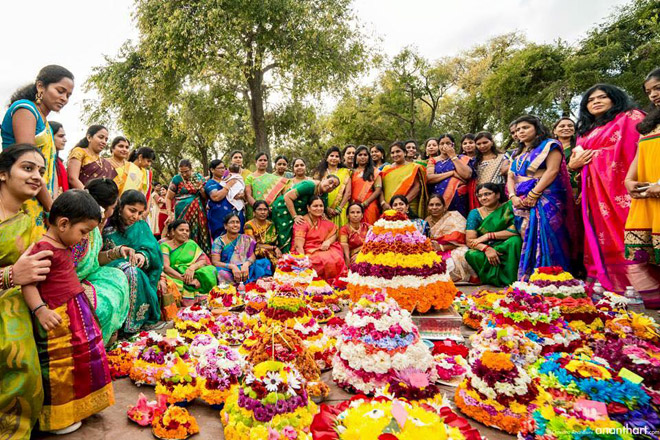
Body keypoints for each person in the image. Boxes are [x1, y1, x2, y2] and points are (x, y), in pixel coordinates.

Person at [23, 190, 114, 434]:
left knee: (85, 359)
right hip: (57, 321)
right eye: (83, 232)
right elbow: (28, 283)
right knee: (61, 367)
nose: (84, 238)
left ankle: (81, 406)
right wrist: (40, 310)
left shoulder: (61, 244)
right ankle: (59, 417)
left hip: (76, 314)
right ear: (63, 223)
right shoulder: (43, 248)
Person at [576, 83, 660, 296]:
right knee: (602, 236)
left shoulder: (630, 118)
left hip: (623, 189)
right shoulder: (588, 129)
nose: (596, 102)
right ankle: (613, 285)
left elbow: (641, 151)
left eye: (602, 97)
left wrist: (595, 156)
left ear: (615, 98)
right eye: (590, 100)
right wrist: (574, 165)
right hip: (595, 192)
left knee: (629, 233)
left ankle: (644, 288)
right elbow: (577, 160)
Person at [0, 145, 56, 439]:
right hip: (8, 301)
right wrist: (10, 276)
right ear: (2, 173)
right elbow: (17, 273)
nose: (37, 177)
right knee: (15, 346)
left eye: (41, 171)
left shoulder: (28, 220)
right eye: (27, 168)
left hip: (20, 297)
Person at [1, 65, 74, 237]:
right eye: (60, 91)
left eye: (68, 95)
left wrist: (52, 202)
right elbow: (29, 163)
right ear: (41, 86)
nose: (64, 98)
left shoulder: (46, 124)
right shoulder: (25, 110)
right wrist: (52, 208)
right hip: (21, 197)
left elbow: (49, 170)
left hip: (40, 198)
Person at [508, 115, 575, 278]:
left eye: (525, 128)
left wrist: (534, 193)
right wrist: (512, 196)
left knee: (548, 236)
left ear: (537, 128)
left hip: (545, 198)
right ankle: (530, 277)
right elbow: (511, 176)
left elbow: (552, 171)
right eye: (517, 130)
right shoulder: (516, 152)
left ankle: (553, 278)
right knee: (527, 236)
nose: (520, 132)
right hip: (521, 200)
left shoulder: (550, 145)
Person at [72, 178, 130, 345]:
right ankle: (96, 347)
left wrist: (116, 252)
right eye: (113, 207)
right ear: (104, 209)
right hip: (72, 282)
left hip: (90, 275)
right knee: (104, 304)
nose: (113, 211)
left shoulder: (96, 225)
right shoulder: (80, 230)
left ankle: (110, 337)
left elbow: (94, 258)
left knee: (118, 275)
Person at [103, 190, 164, 334]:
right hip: (109, 267)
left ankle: (134, 324)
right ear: (120, 206)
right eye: (132, 210)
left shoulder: (141, 226)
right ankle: (123, 326)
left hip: (136, 268)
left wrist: (142, 255)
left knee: (133, 271)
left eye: (139, 213)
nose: (135, 217)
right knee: (130, 270)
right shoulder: (105, 224)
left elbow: (153, 250)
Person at [624, 69, 660, 307]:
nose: (654, 95)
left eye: (658, 88)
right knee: (643, 256)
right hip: (647, 194)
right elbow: (640, 153)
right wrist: (629, 180)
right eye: (649, 91)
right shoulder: (649, 123)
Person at [465, 183, 522, 286]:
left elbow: (514, 231)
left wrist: (488, 235)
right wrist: (486, 249)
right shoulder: (475, 213)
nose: (483, 198)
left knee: (516, 241)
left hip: (505, 245)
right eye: (480, 196)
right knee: (470, 254)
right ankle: (493, 280)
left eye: (487, 194)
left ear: (498, 195)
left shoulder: (508, 208)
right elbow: (470, 241)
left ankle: (513, 279)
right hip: (486, 247)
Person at [271, 176, 340, 252]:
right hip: (283, 209)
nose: (330, 186)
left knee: (294, 233)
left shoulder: (324, 194)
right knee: (284, 235)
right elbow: (287, 197)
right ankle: (283, 259)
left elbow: (322, 207)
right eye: (330, 182)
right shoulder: (309, 185)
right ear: (323, 178)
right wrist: (294, 216)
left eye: (334, 186)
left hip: (298, 211)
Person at [161, 219, 217, 305]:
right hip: (174, 274)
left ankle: (204, 300)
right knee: (173, 284)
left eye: (187, 231)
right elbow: (166, 267)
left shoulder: (191, 244)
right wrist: (185, 280)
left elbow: (203, 260)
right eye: (181, 230)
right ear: (173, 231)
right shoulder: (165, 245)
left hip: (191, 273)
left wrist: (192, 268)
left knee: (211, 269)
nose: (185, 233)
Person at [293, 196, 346, 282]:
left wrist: (328, 241)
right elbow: (299, 247)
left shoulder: (322, 220)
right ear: (308, 208)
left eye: (321, 206)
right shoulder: (302, 222)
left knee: (337, 257)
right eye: (315, 206)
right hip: (307, 251)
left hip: (322, 248)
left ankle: (337, 284)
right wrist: (303, 263)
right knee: (321, 260)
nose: (319, 208)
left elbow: (334, 232)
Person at [426, 194, 476, 283]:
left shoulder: (454, 217)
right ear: (427, 207)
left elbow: (461, 241)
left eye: (438, 204)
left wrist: (441, 247)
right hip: (434, 250)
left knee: (461, 256)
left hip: (454, 247)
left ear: (444, 207)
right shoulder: (426, 221)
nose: (434, 207)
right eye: (431, 205)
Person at [166, 159, 211, 253]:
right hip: (182, 212)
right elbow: (169, 198)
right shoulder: (176, 179)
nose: (184, 174)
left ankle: (200, 255)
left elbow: (205, 197)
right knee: (182, 232)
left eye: (186, 171)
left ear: (191, 169)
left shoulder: (198, 177)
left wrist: (201, 189)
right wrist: (169, 213)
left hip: (198, 212)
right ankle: (184, 255)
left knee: (200, 233)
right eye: (181, 172)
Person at [212, 213, 271, 284]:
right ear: (225, 226)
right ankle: (237, 286)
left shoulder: (245, 238)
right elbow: (215, 262)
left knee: (265, 262)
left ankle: (257, 283)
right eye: (232, 222)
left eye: (237, 222)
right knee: (220, 272)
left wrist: (246, 264)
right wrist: (232, 266)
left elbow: (252, 256)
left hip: (246, 268)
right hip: (229, 270)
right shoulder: (219, 241)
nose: (235, 225)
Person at [426, 134, 474, 218]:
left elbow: (467, 175)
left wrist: (453, 156)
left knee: (458, 226)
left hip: (459, 199)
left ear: (453, 145)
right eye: (442, 143)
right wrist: (452, 173)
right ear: (438, 146)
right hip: (438, 198)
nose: (445, 146)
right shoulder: (433, 160)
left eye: (448, 143)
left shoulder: (462, 158)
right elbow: (429, 178)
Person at [380, 141, 427, 218]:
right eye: (392, 152)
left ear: (405, 153)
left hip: (409, 204)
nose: (395, 154)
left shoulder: (413, 167)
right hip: (388, 206)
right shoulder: (386, 169)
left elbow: (417, 186)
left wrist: (403, 204)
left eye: (398, 151)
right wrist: (383, 203)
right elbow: (380, 188)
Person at [67, 124, 116, 189]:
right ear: (89, 137)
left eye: (106, 139)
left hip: (102, 198)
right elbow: (72, 178)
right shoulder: (79, 152)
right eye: (101, 137)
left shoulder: (105, 163)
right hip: (82, 196)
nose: (104, 142)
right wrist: (88, 196)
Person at [315, 146, 352, 228]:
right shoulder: (319, 173)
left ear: (340, 160)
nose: (334, 158)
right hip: (322, 209)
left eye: (337, 156)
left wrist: (339, 208)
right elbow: (316, 192)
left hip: (341, 209)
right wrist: (326, 208)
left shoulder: (346, 172)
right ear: (327, 158)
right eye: (331, 156)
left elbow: (348, 193)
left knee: (341, 234)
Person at [205, 159, 240, 240]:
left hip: (234, 215)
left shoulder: (227, 180)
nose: (223, 170)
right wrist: (229, 185)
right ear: (212, 170)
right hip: (219, 218)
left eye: (224, 168)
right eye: (220, 168)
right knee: (221, 241)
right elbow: (216, 197)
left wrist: (241, 195)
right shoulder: (210, 183)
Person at [245, 152, 287, 218]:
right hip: (254, 210)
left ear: (267, 163)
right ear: (256, 162)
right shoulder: (250, 177)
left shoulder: (273, 178)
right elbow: (248, 195)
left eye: (265, 160)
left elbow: (278, 196)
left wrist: (269, 209)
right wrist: (258, 208)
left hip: (270, 211)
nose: (263, 162)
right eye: (260, 160)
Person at [244, 200, 281, 270]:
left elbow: (275, 241)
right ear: (254, 212)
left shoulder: (271, 224)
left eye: (265, 210)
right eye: (259, 209)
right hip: (255, 252)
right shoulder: (249, 225)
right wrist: (274, 248)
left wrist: (275, 249)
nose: (263, 212)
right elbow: (254, 245)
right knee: (262, 250)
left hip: (271, 250)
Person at [351, 145, 382, 224]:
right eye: (360, 155)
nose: (362, 157)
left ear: (369, 158)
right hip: (354, 207)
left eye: (365, 155)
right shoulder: (351, 172)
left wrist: (365, 203)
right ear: (356, 158)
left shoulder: (374, 171)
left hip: (370, 206)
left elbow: (378, 190)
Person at [553, 117, 580, 199]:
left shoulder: (580, 145)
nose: (566, 128)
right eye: (562, 126)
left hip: (574, 188)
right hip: (552, 188)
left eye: (570, 126)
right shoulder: (548, 147)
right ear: (555, 131)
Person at [50, 121, 69, 197]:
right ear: (50, 136)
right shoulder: (44, 161)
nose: (65, 140)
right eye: (60, 136)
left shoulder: (58, 161)